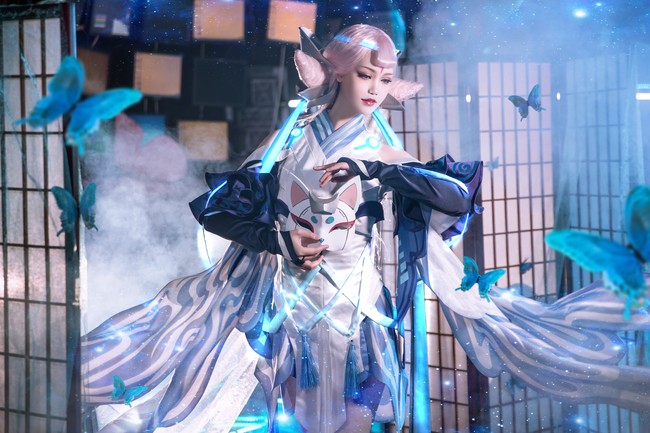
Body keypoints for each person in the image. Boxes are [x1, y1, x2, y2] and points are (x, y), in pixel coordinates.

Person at [81, 24, 650, 433]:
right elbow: (219, 208)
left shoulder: (381, 146)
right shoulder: (293, 138)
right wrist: (278, 239)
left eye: (384, 77)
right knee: (295, 415)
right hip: (289, 304)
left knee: (357, 416)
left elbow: (456, 195)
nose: (375, 87)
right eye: (364, 74)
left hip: (359, 308)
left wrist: (376, 170)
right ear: (334, 74)